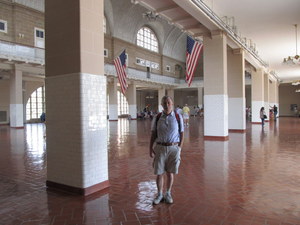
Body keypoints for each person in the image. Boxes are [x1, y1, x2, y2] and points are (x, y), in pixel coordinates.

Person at [149, 96, 184, 205]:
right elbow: (153, 133)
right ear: (161, 104)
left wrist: (179, 148)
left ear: (172, 104)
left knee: (170, 173)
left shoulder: (178, 117)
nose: (166, 105)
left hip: (173, 148)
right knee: (159, 173)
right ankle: (159, 194)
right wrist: (150, 147)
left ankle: (168, 193)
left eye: (168, 102)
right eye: (164, 103)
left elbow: (182, 133)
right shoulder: (158, 117)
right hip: (160, 148)